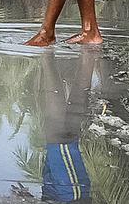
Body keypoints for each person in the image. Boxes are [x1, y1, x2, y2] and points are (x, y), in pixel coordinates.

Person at [38, 48, 98, 201]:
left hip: (53, 193)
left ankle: (49, 54)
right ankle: (87, 51)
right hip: (71, 197)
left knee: (57, 138)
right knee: (60, 140)